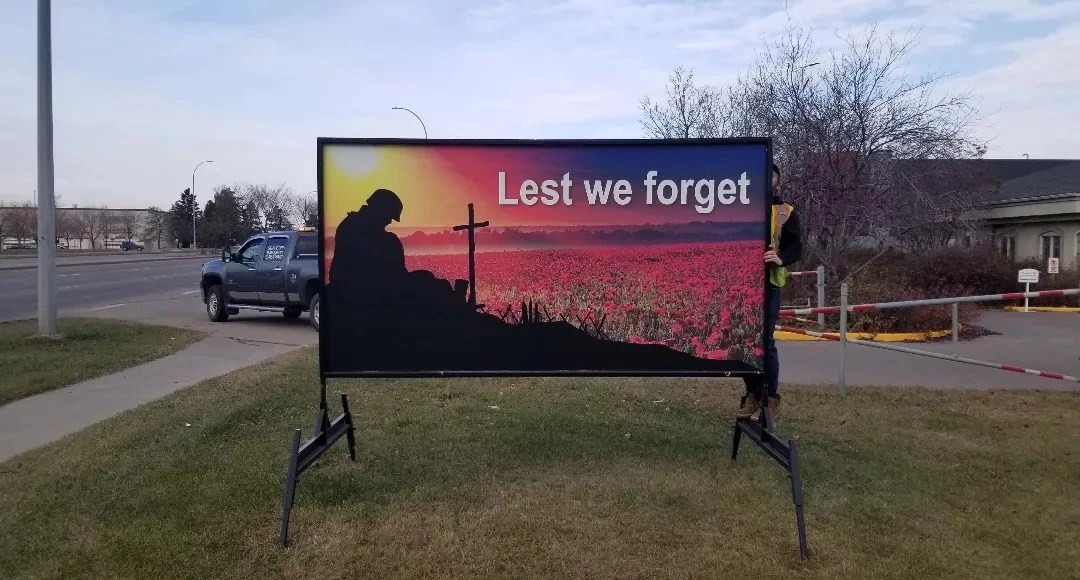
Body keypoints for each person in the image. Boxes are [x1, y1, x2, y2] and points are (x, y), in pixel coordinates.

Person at [737, 162, 802, 422]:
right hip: (743, 284)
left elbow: (796, 248)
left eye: (770, 175)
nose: (766, 179)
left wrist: (780, 258)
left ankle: (770, 398)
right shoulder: (744, 207)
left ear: (778, 181)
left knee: (766, 342)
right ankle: (752, 393)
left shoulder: (787, 212)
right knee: (743, 340)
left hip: (769, 284)